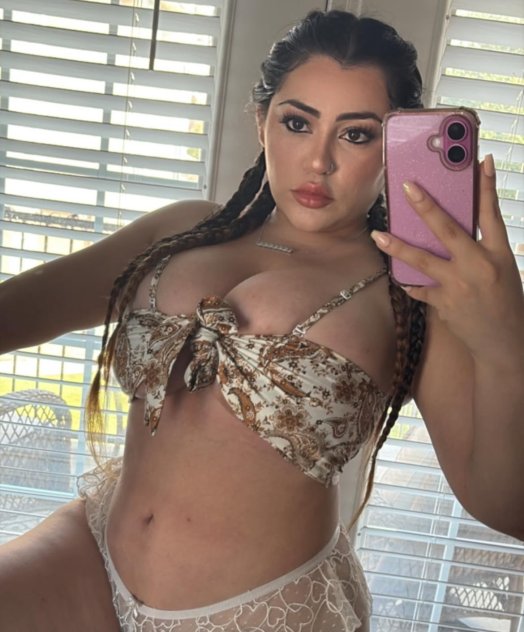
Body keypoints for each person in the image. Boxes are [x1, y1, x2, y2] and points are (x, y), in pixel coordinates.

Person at [0, 9, 523, 632]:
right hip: (95, 556)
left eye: (356, 135)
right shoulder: (184, 231)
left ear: (394, 149)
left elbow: (505, 505)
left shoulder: (413, 293)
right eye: (298, 123)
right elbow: (23, 308)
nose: (318, 161)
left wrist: (504, 341)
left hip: (259, 610)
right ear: (261, 120)